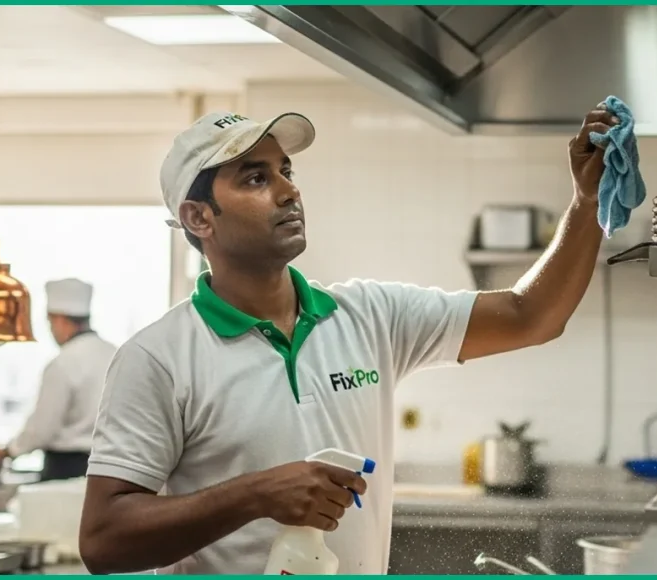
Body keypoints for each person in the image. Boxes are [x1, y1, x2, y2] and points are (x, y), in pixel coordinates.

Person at [78, 106, 618, 575]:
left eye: (285, 171)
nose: (289, 189)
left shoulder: (370, 316)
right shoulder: (158, 358)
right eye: (254, 178)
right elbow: (103, 541)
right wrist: (255, 495)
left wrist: (585, 202)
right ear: (199, 218)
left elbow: (531, 316)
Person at [0, 278, 117, 482]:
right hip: (110, 470)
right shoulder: (116, 354)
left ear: (60, 320)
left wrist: (6, 451)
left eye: (50, 322)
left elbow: (42, 429)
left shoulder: (62, 363)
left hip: (66, 469)